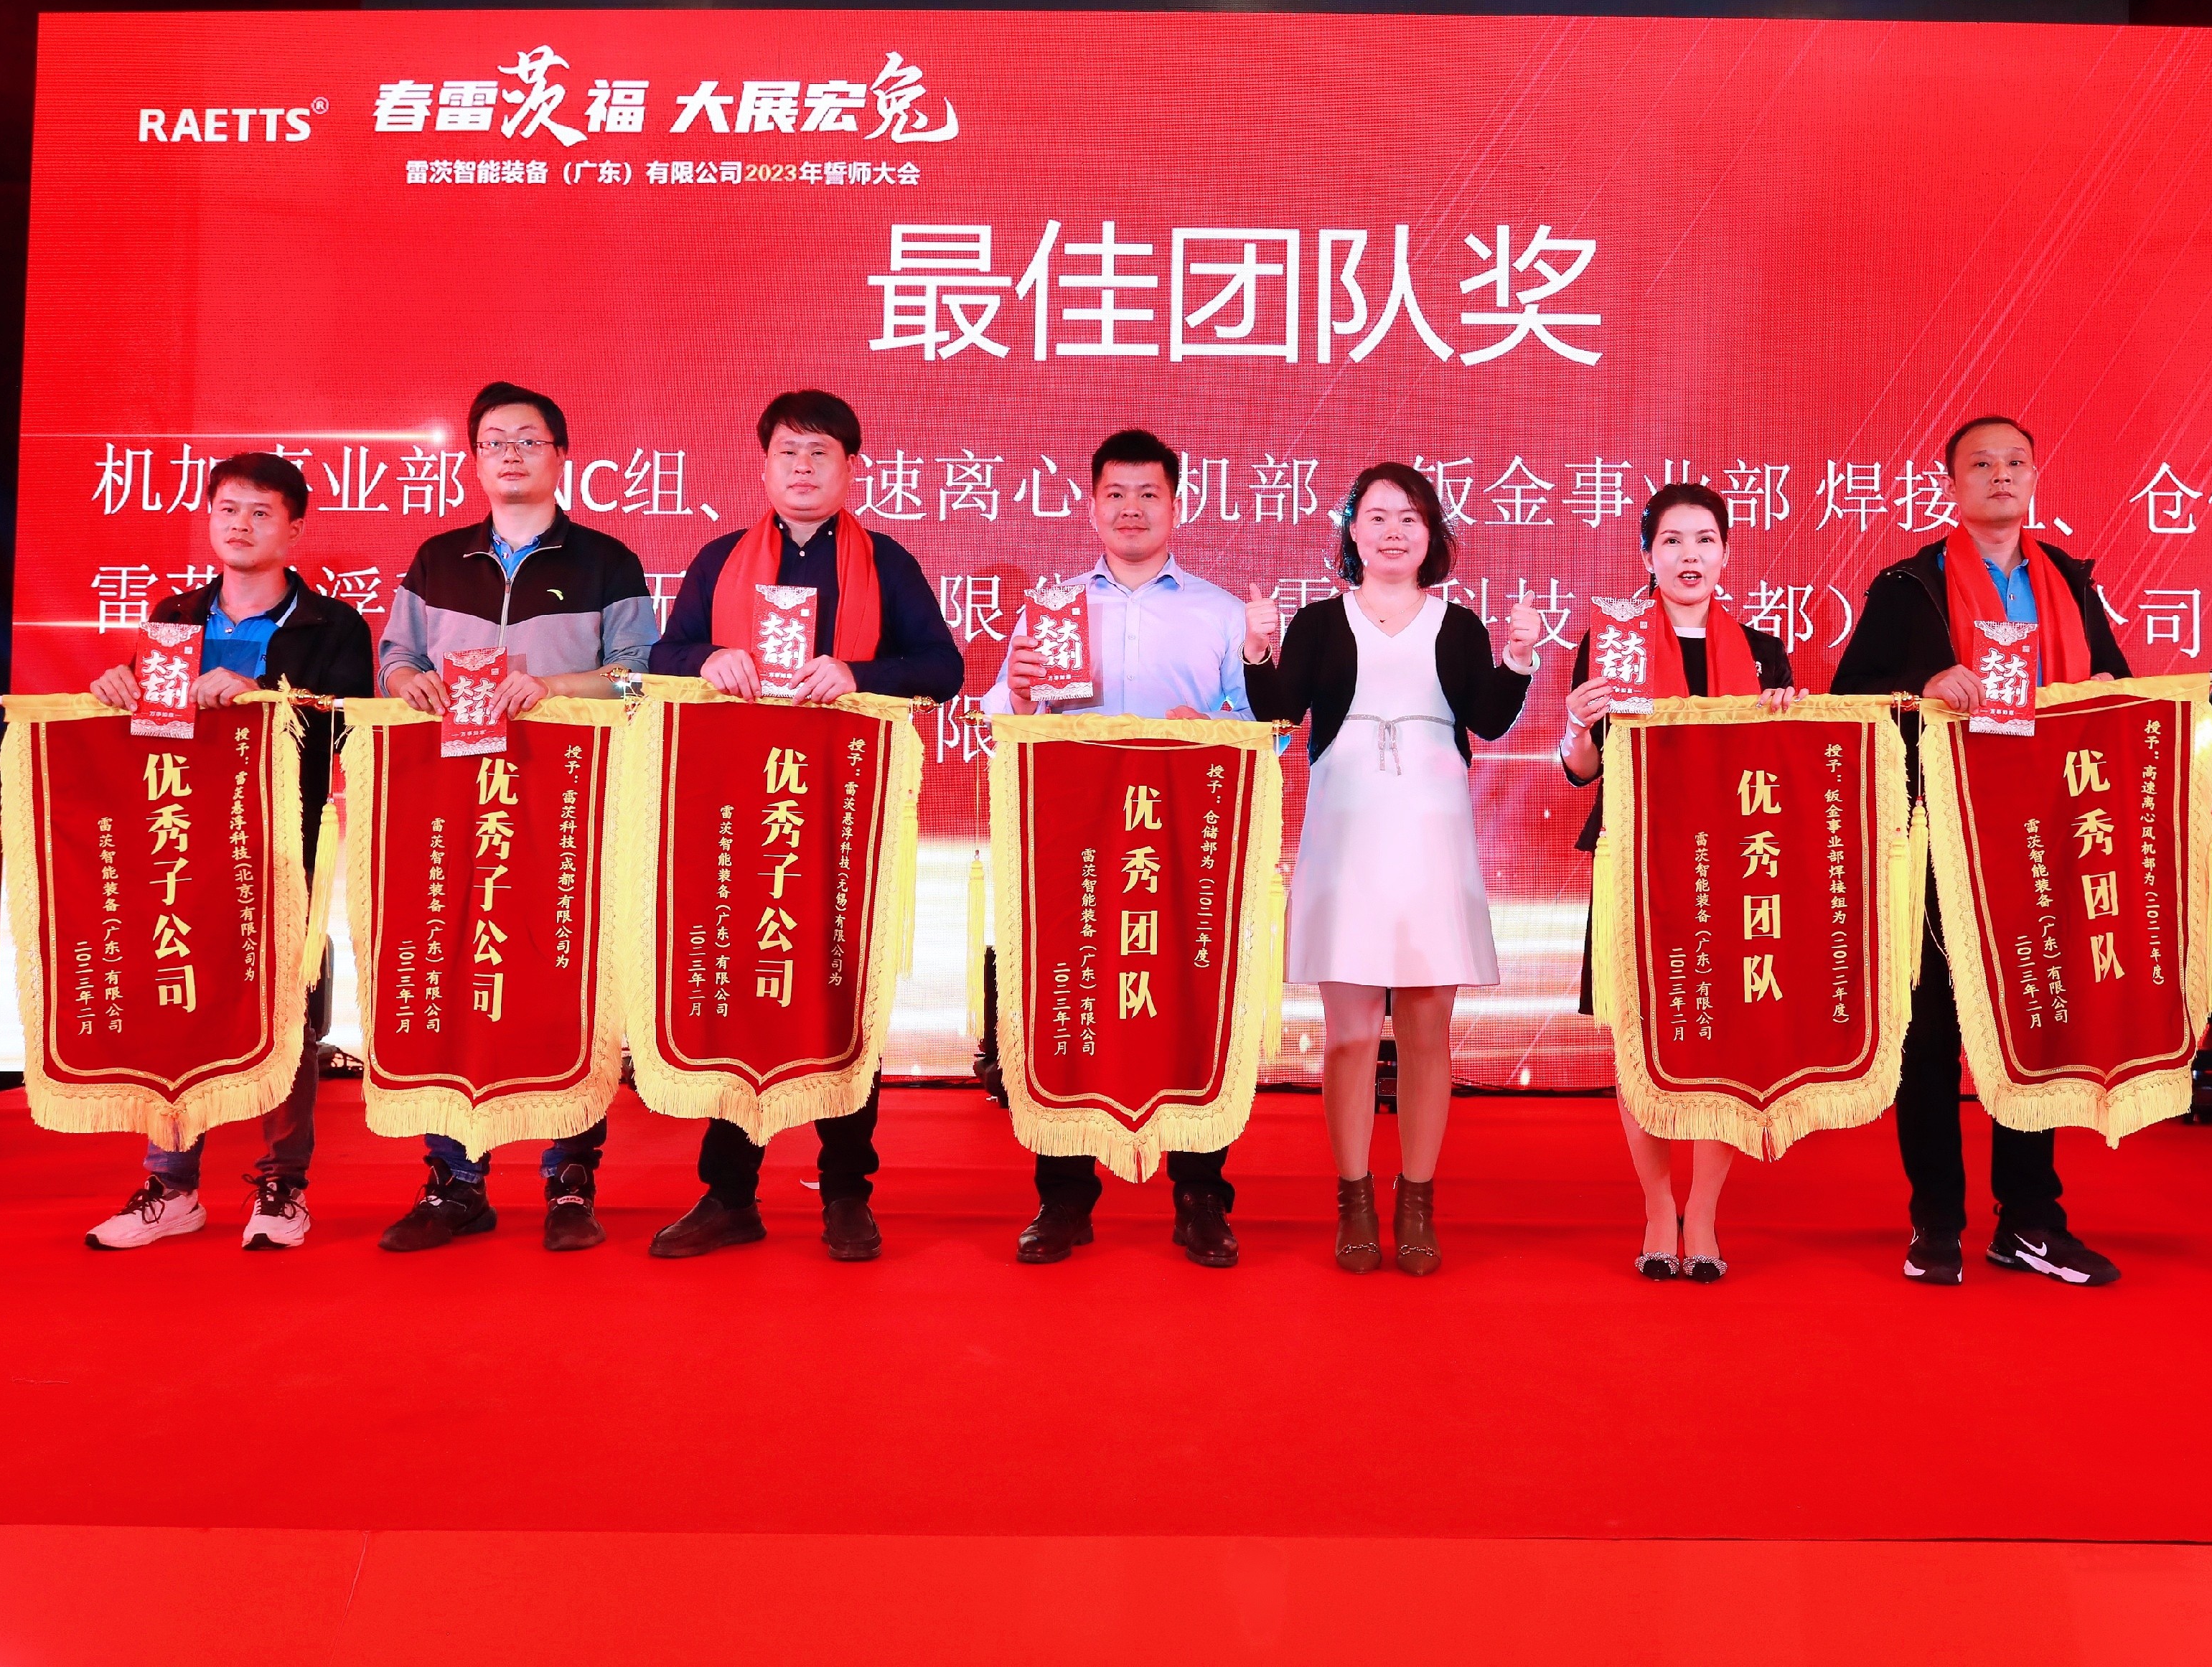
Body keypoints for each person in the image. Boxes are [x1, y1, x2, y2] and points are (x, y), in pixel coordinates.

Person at [643, 389, 965, 1263]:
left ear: (851, 468)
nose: (803, 466)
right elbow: (662, 656)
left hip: (841, 816)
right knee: (735, 989)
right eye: (788, 451)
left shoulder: (885, 563)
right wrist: (710, 657)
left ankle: (847, 1190)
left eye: (821, 452)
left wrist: (857, 673)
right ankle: (729, 1193)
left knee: (840, 986)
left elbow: (944, 668)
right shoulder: (720, 559)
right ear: (763, 465)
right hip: (737, 817)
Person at [1832, 415, 2132, 1289]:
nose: (2000, 475)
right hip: (1939, 832)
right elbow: (1850, 696)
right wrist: (1921, 684)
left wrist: (2105, 689)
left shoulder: (2068, 579)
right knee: (1930, 1036)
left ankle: (2029, 1219)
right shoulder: (1909, 585)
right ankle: (1936, 1220)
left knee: (2030, 1026)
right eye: (1981, 464)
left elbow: (2118, 678)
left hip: (2042, 834)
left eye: (2015, 462)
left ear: (2034, 475)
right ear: (1951, 485)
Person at [375, 382, 658, 1254]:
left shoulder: (607, 560)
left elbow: (640, 675)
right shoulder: (437, 558)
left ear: (561, 455)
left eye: (528, 439)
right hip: (452, 801)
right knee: (453, 968)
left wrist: (551, 686)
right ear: (474, 459)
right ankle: (455, 1178)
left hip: (566, 801)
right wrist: (407, 681)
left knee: (564, 972)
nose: (510, 453)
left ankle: (569, 1175)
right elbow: (395, 655)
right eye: (494, 440)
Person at [1244, 462, 1540, 1275]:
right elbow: (1279, 712)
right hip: (1345, 837)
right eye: (1376, 517)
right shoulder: (1319, 620)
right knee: (1347, 1037)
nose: (1393, 532)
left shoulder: (1458, 624)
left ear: (1432, 533)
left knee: (1425, 1032)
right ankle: (1354, 1199)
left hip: (1432, 839)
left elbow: (1489, 718)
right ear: (1353, 531)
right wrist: (1257, 650)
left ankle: (1417, 1200)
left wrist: (1518, 658)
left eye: (1410, 518)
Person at [974, 429, 1257, 1269]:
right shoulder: (1053, 608)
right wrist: (1025, 689)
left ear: (1178, 505)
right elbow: (1001, 713)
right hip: (1079, 846)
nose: (1132, 509)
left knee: (1191, 1001)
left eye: (1149, 494)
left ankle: (1200, 1195)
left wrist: (1216, 729)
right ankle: (1063, 1196)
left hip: (1182, 844)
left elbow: (1265, 732)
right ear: (1091, 505)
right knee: (1069, 1000)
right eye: (1115, 494)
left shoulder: (1220, 613)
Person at [81, 453, 375, 1252]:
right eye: (228, 509)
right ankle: (171, 1185)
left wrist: (265, 697)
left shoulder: (332, 626)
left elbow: (351, 729)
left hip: (281, 845)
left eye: (260, 512)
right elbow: (153, 721)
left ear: (294, 529)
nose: (241, 525)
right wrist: (118, 687)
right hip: (181, 843)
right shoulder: (175, 613)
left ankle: (282, 1186)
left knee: (282, 1015)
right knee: (177, 1003)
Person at [1557, 482, 1801, 1283]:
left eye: (1704, 540)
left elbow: (1784, 773)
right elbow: (1582, 769)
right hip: (1636, 859)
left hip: (1733, 862)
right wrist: (1577, 721)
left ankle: (1703, 1211)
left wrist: (1787, 717)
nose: (1689, 555)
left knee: (1721, 1039)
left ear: (1726, 553)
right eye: (1672, 541)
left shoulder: (1762, 652)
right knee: (1639, 1037)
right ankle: (1658, 1204)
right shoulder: (1612, 642)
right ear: (1647, 556)